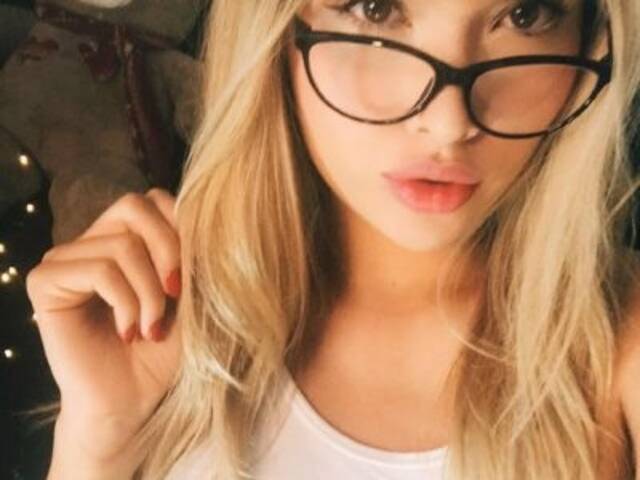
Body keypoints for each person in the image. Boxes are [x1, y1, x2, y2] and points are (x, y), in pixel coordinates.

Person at [24, 0, 640, 479]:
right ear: (276, 31)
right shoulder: (162, 325)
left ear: (593, 39)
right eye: (377, 9)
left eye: (525, 16)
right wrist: (97, 443)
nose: (448, 123)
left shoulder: (619, 346)